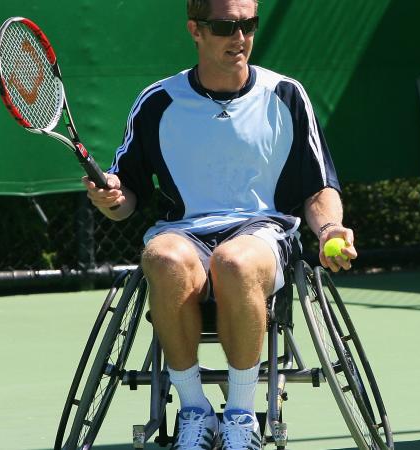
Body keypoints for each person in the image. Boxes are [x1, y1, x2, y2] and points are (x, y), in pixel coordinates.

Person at [83, 0, 357, 448]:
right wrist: (110, 197)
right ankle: (195, 411)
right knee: (163, 258)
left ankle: (241, 416)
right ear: (195, 30)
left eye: (248, 24)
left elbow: (319, 186)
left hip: (263, 233)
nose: (240, 37)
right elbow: (126, 200)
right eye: (225, 26)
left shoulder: (286, 95)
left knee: (234, 262)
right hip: (184, 234)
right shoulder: (158, 102)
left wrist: (328, 229)